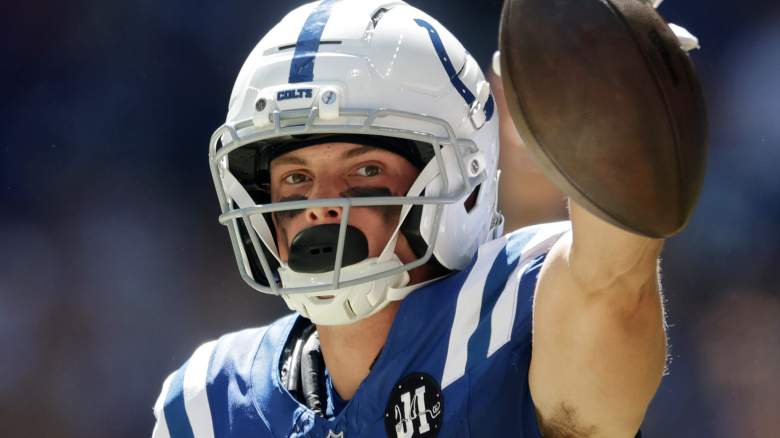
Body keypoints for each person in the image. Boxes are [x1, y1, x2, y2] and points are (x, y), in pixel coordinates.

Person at [152, 1, 669, 436]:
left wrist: (616, 122)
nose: (320, 204)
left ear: (454, 182)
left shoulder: (514, 321)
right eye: (295, 178)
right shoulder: (212, 404)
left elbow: (612, 281)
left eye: (366, 169)